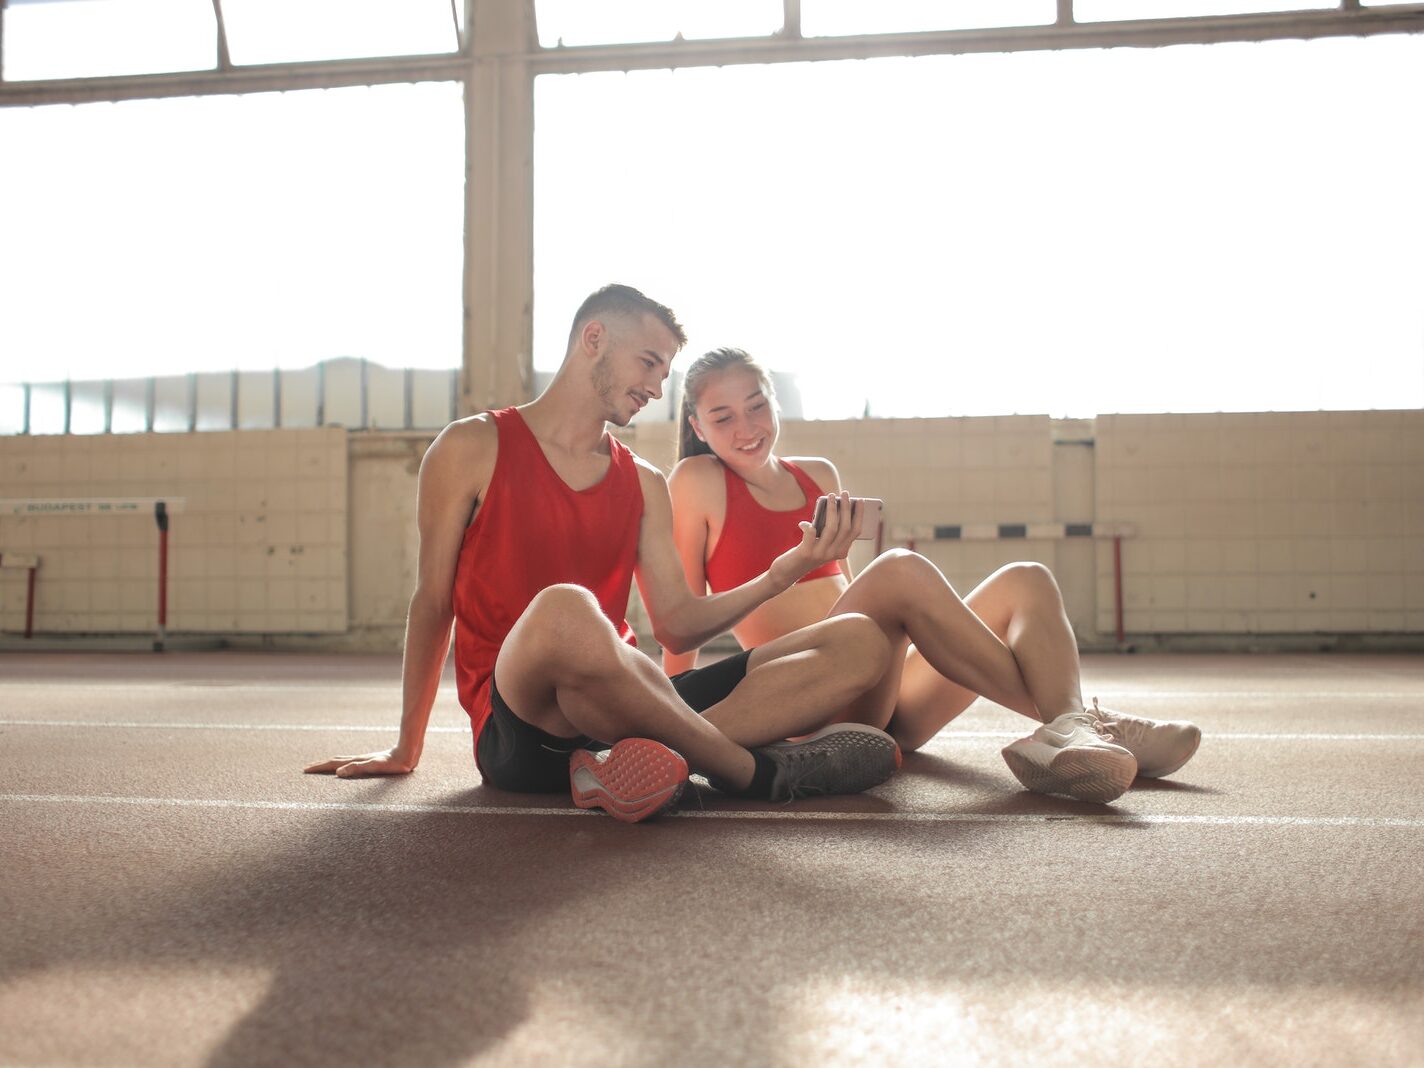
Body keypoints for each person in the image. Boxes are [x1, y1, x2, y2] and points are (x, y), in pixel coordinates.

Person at [306, 287, 903, 823]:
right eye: (648, 362)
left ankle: (639, 765)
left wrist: (783, 573)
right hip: (527, 727)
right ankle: (751, 772)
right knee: (566, 610)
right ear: (593, 339)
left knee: (859, 639)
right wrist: (406, 747)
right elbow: (433, 601)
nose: (656, 387)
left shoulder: (643, 480)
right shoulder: (469, 447)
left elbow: (675, 623)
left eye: (665, 372)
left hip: (628, 705)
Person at [665, 347, 1200, 805]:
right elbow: (680, 618)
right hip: (815, 696)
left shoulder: (818, 475)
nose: (746, 428)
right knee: (899, 569)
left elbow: (848, 595)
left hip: (890, 696)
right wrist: (668, 697)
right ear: (696, 426)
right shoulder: (698, 479)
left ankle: (1073, 726)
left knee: (1027, 578)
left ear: (773, 402)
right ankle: (1088, 722)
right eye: (723, 416)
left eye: (756, 406)